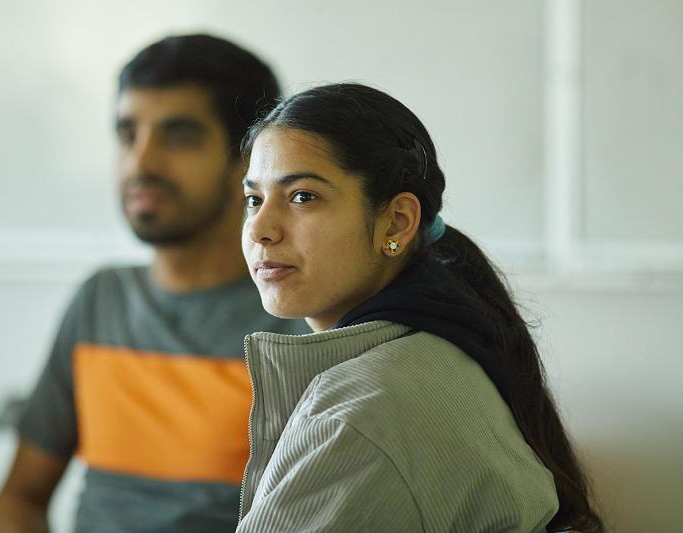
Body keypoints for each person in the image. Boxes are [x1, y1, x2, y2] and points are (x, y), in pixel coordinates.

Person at [237, 83, 604, 532]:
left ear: (397, 221)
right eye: (254, 199)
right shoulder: (439, 349)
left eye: (302, 197)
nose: (260, 229)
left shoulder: (360, 413)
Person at [0, 34, 308, 533]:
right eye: (127, 135)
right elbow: (20, 499)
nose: (141, 163)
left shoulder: (302, 322)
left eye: (179, 136)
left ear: (251, 162)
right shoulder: (101, 300)